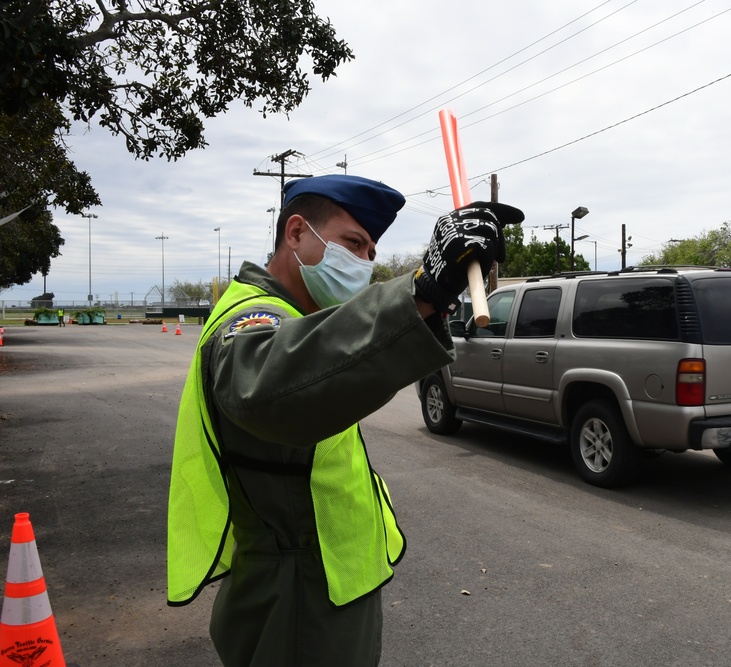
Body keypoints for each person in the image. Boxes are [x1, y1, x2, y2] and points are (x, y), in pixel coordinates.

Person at [166, 173, 523, 666]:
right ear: (296, 234)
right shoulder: (252, 317)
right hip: (298, 594)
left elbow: (330, 356)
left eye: (370, 253)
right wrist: (421, 291)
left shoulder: (296, 314)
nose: (362, 263)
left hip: (329, 582)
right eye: (353, 244)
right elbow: (272, 385)